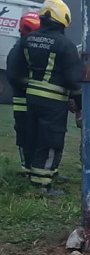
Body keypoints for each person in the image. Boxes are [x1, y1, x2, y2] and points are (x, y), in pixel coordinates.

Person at [6, 0, 82, 195]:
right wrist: (80, 105)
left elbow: (15, 70)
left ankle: (40, 173)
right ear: (63, 19)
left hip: (31, 98)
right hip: (54, 100)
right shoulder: (66, 45)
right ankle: (41, 184)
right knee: (50, 139)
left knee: (34, 135)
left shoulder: (26, 40)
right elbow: (74, 80)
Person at [7, 11, 41, 178]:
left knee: (38, 135)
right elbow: (13, 77)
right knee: (25, 134)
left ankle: (35, 168)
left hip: (34, 101)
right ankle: (27, 168)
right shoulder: (18, 50)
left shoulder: (29, 48)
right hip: (23, 101)